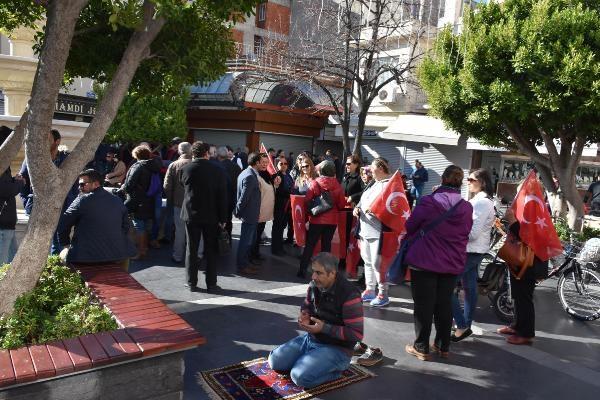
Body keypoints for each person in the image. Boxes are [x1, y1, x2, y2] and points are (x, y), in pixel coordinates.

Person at [404, 165, 473, 360]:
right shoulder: (466, 207)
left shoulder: (428, 202)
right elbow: (465, 232)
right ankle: (443, 346)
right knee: (444, 304)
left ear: (442, 179)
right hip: (451, 262)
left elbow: (410, 226)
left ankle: (421, 346)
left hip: (424, 260)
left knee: (423, 305)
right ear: (460, 183)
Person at [268, 252, 363, 388]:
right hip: (312, 339)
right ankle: (313, 361)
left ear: (332, 273)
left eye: (319, 273)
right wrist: (305, 315)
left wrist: (324, 328)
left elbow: (356, 334)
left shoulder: (350, 295)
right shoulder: (314, 285)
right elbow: (307, 304)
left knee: (299, 377)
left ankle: (337, 371)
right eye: (313, 272)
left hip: (337, 349)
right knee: (274, 361)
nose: (313, 276)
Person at [451, 169, 496, 342]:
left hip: (471, 250)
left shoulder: (482, 203)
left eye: (471, 179)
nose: (467, 182)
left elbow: (473, 233)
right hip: (474, 250)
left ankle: (461, 325)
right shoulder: (480, 201)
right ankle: (465, 325)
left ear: (482, 182)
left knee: (448, 287)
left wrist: (452, 232)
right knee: (470, 288)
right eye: (467, 179)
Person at [57, 169, 135, 269]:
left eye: (82, 184)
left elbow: (64, 224)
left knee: (62, 257)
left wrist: (65, 245)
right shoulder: (117, 200)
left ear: (96, 184)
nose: (79, 187)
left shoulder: (82, 200)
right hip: (119, 255)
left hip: (86, 258)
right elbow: (126, 226)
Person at [180, 142, 227, 292]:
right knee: (211, 249)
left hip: (191, 214)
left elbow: (184, 188)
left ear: (193, 153)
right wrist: (223, 218)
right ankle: (211, 283)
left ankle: (191, 282)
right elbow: (222, 197)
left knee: (191, 249)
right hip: (211, 216)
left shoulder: (185, 169)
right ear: (207, 153)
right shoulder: (217, 170)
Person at [496, 208, 547, 345]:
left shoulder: (536, 213)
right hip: (521, 262)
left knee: (524, 297)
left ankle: (526, 333)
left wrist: (512, 221)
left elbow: (527, 236)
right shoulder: (532, 212)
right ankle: (518, 326)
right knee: (518, 296)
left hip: (529, 264)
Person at [353, 158, 392, 307]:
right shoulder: (372, 183)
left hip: (378, 231)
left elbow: (393, 207)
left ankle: (383, 293)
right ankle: (370, 289)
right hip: (365, 229)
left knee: (378, 264)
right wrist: (357, 207)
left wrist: (377, 212)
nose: (369, 171)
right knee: (367, 261)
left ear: (381, 169)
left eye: (373, 168)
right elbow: (363, 200)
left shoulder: (390, 185)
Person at [297, 160, 345, 278]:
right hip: (332, 220)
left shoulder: (315, 183)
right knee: (326, 246)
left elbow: (307, 201)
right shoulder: (337, 185)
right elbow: (341, 205)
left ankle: (302, 270)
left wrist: (311, 212)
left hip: (317, 219)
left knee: (310, 245)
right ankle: (325, 273)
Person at [121, 145, 161, 260]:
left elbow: (129, 186)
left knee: (139, 226)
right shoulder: (153, 165)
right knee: (146, 225)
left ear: (136, 155)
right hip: (150, 199)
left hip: (138, 200)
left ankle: (140, 251)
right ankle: (145, 248)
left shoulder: (138, 166)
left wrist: (125, 189)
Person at [235, 152, 264, 275]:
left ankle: (246, 263)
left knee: (247, 241)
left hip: (249, 214)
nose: (263, 164)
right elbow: (243, 198)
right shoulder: (250, 176)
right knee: (245, 242)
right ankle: (242, 265)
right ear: (256, 162)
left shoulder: (246, 173)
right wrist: (237, 211)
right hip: (249, 215)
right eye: (261, 162)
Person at [163, 142, 192, 263]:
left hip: (178, 203)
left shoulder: (174, 165)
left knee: (179, 231)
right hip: (194, 203)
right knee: (193, 231)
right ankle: (195, 255)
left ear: (179, 151)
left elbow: (167, 186)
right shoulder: (195, 164)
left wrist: (172, 199)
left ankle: (178, 255)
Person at [0, 126, 25, 264]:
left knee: (11, 266)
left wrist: (15, 180)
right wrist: (20, 183)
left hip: (7, 225)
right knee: (3, 267)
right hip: (2, 226)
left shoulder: (4, 163)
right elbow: (5, 189)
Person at [218, 146, 242, 241]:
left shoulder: (217, 167)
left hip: (219, 199)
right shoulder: (236, 167)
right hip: (232, 199)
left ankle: (218, 243)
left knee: (218, 221)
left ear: (218, 156)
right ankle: (228, 241)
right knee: (228, 221)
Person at [272, 157, 293, 256]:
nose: (284, 165)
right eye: (281, 163)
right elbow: (278, 192)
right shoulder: (276, 176)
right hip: (279, 206)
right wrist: (290, 193)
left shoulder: (289, 176)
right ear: (277, 165)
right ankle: (276, 248)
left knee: (282, 227)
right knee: (277, 227)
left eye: (285, 163)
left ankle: (280, 247)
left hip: (288, 206)